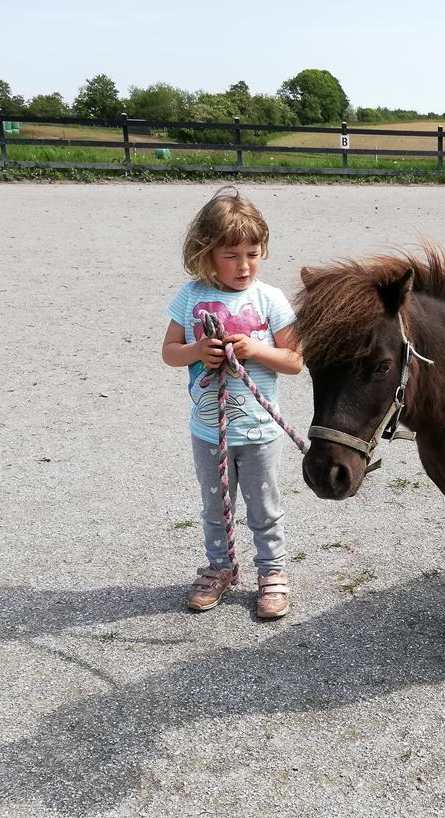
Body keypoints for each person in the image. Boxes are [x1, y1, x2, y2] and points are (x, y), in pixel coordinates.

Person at [161, 187, 304, 618]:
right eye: (230, 255)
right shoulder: (189, 297)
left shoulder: (270, 299)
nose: (244, 265)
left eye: (252, 253)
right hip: (208, 429)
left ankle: (272, 571)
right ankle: (221, 567)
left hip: (259, 430)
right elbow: (169, 350)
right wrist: (196, 351)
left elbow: (295, 360)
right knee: (214, 508)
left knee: (264, 506)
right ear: (205, 254)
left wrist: (255, 351)